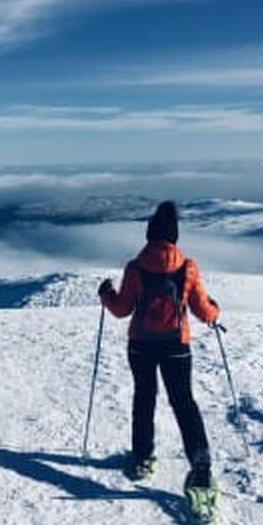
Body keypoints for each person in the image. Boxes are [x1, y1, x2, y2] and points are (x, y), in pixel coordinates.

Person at [98, 201, 219, 489]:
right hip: (176, 345)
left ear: (149, 235)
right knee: (183, 402)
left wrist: (106, 295)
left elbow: (122, 309)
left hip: (140, 344)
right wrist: (214, 311)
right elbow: (202, 310)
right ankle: (200, 465)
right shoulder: (188, 268)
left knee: (144, 398)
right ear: (175, 236)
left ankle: (142, 457)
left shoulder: (136, 268)